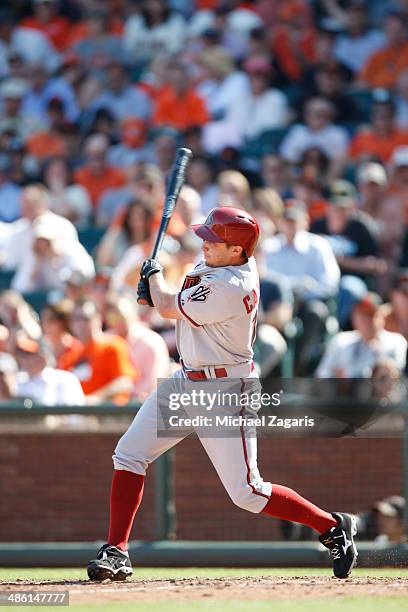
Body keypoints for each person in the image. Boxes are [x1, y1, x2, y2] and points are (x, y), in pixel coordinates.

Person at [87, 206, 358, 582]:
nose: (205, 243)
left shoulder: (234, 284)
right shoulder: (213, 264)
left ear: (236, 251)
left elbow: (168, 306)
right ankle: (117, 549)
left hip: (225, 389)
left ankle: (331, 525)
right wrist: (155, 286)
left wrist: (156, 280)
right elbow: (171, 303)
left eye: (214, 240)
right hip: (185, 381)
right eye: (207, 236)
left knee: (247, 492)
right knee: (129, 454)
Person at [316, 293, 407, 378]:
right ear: (354, 317)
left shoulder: (397, 342)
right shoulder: (341, 340)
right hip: (342, 394)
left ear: (381, 316)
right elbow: (322, 374)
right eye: (361, 314)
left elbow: (396, 375)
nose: (366, 321)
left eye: (370, 315)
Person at [68, 300, 138, 405]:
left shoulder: (113, 345)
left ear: (98, 319)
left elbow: (125, 382)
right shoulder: (71, 353)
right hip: (78, 415)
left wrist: (96, 398)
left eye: (86, 318)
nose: (81, 324)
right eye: (77, 319)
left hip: (109, 414)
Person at [14, 337, 85, 406]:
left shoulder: (65, 379)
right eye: (21, 354)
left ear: (44, 357)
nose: (24, 359)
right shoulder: (16, 380)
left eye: (29, 355)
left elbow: (74, 414)